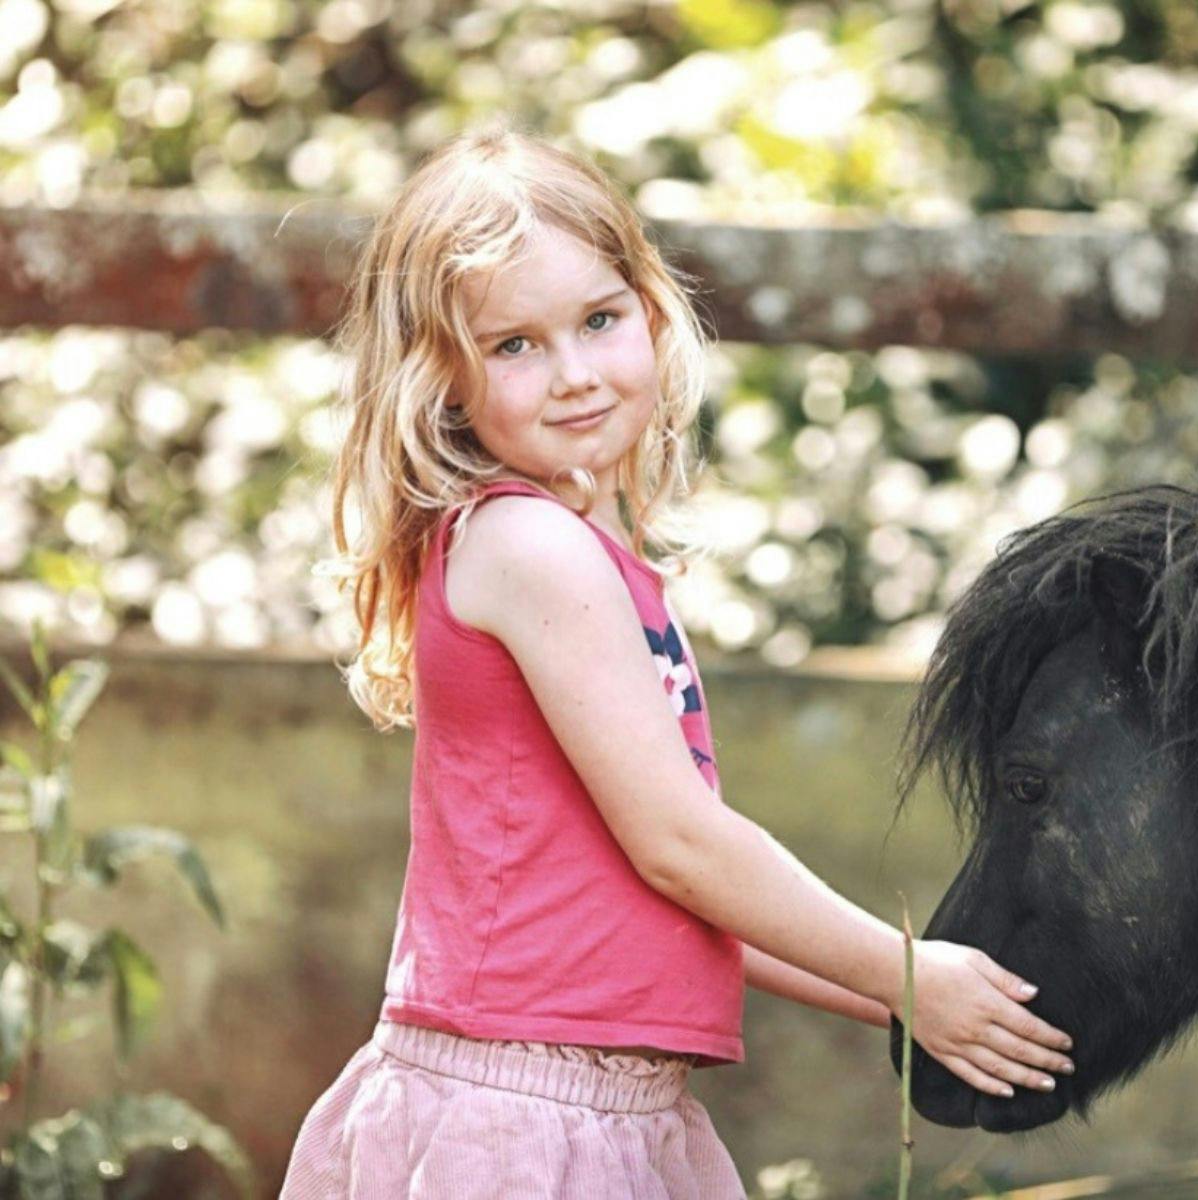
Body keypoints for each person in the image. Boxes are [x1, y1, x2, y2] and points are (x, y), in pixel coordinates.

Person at [280, 118, 1074, 1199]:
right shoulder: (533, 549)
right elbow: (681, 847)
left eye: (598, 321)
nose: (573, 375)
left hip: (601, 1104)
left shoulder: (592, 558)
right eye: (514, 346)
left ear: (650, 313)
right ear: (444, 382)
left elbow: (687, 893)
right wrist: (906, 975)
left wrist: (911, 998)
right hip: (523, 1115)